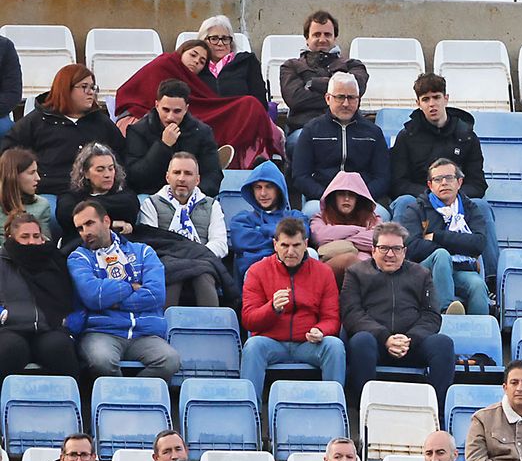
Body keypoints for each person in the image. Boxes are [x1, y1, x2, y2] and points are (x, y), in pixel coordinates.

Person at [343, 220, 455, 413]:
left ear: (404, 251)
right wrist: (385, 338)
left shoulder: (421, 274)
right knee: (360, 341)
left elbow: (431, 315)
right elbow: (352, 314)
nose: (390, 254)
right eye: (384, 248)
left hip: (412, 343)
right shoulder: (356, 273)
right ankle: (364, 412)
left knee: (443, 344)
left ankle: (438, 414)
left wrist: (409, 339)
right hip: (375, 344)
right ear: (373, 250)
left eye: (396, 248)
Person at [114, 41, 281, 169]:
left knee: (249, 105)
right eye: (193, 55)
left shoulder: (192, 80)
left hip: (186, 118)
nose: (196, 62)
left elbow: (205, 102)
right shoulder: (165, 63)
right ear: (182, 51)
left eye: (202, 61)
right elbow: (137, 91)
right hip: (150, 117)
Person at [67, 199, 180, 382]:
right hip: (102, 331)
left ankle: (132, 397)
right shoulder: (78, 258)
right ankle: (120, 401)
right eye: (80, 228)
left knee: (170, 360)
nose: (85, 232)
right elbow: (94, 296)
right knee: (101, 361)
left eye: (89, 223)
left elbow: (155, 295)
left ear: (106, 221)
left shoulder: (143, 252)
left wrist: (113, 301)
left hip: (144, 333)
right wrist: (131, 286)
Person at [240, 217, 345, 395]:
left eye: (296, 245)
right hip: (271, 342)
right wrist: (271, 308)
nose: (290, 252)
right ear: (275, 245)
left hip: (308, 343)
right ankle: (248, 410)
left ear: (305, 244)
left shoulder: (323, 272)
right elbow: (249, 320)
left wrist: (321, 330)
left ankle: (332, 405)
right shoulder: (257, 271)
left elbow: (332, 318)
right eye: (284, 245)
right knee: (252, 346)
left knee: (334, 345)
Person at [0, 65, 124, 196]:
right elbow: (9, 155)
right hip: (49, 192)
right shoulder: (36, 121)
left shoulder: (101, 122)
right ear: (65, 89)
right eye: (84, 87)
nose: (91, 92)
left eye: (93, 87)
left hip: (94, 192)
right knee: (50, 213)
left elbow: (122, 155)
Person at [394, 158, 494, 316]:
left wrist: (437, 236)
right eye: (438, 179)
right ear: (430, 185)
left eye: (449, 178)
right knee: (441, 255)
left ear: (459, 182)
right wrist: (457, 245)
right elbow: (412, 248)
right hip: (426, 270)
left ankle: (480, 333)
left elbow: (478, 243)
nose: (444, 183)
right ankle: (446, 313)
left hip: (460, 270)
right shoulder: (416, 209)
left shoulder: (470, 208)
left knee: (477, 285)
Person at [137, 152, 228, 306]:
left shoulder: (212, 205)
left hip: (203, 262)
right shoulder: (151, 203)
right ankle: (164, 327)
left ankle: (210, 327)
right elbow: (151, 244)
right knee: (174, 273)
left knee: (203, 275)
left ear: (197, 179)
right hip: (167, 262)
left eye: (188, 173)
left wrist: (195, 257)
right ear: (167, 177)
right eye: (176, 172)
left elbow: (220, 244)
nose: (181, 178)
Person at [0, 211, 78, 381]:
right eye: (25, 236)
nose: (32, 242)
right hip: (10, 328)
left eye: (36, 236)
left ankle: (67, 404)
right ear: (11, 238)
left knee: (60, 348)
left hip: (48, 328)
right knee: (10, 349)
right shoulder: (2, 262)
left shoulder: (56, 260)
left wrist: (68, 322)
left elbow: (69, 297)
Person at [291, 72, 389, 205]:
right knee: (310, 213)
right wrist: (326, 196)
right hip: (321, 200)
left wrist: (361, 197)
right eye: (340, 97)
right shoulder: (312, 130)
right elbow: (300, 176)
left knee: (382, 217)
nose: (346, 103)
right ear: (327, 98)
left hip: (363, 201)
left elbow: (383, 177)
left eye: (352, 97)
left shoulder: (373, 133)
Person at [390, 74, 487, 202]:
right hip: (419, 201)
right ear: (418, 103)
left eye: (436, 97)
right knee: (403, 202)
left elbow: (477, 184)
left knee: (480, 205)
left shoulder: (467, 137)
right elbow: (398, 183)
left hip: (458, 201)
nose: (432, 104)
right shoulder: (406, 136)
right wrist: (431, 195)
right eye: (425, 99)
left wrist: (451, 195)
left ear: (446, 99)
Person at [121, 80, 224, 196]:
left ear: (186, 108)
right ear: (157, 105)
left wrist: (190, 196)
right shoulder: (138, 131)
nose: (170, 117)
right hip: (150, 196)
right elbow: (135, 177)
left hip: (191, 196)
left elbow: (213, 176)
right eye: (166, 110)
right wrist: (163, 146)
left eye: (177, 111)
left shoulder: (202, 132)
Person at [279, 10, 370, 134]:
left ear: (335, 38)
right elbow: (296, 100)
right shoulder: (290, 66)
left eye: (327, 34)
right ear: (307, 38)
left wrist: (314, 84)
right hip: (304, 130)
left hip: (347, 130)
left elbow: (356, 90)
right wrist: (340, 95)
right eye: (317, 34)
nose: (322, 39)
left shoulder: (353, 65)